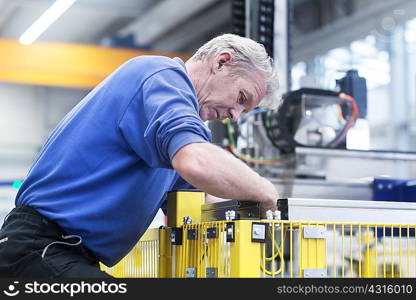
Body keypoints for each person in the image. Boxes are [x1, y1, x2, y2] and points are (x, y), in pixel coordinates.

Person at [0, 34, 280, 278]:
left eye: (245, 111)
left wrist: (255, 222)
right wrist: (265, 192)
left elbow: (202, 200)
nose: (234, 116)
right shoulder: (160, 77)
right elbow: (196, 162)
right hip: (38, 249)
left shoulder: (176, 136)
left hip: (67, 255)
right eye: (242, 98)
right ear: (221, 62)